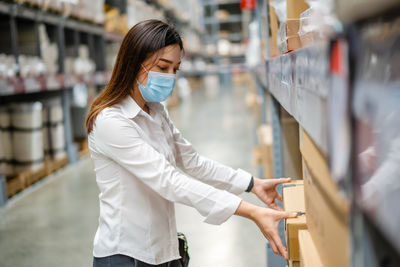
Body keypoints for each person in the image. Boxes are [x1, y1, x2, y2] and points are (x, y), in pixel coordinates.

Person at [86, 20, 297, 267]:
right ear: (134, 62)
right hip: (126, 256)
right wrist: (251, 211)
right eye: (163, 67)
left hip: (164, 250)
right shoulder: (111, 121)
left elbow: (192, 161)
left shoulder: (155, 111)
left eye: (175, 69)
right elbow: (168, 180)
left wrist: (251, 184)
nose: (170, 77)